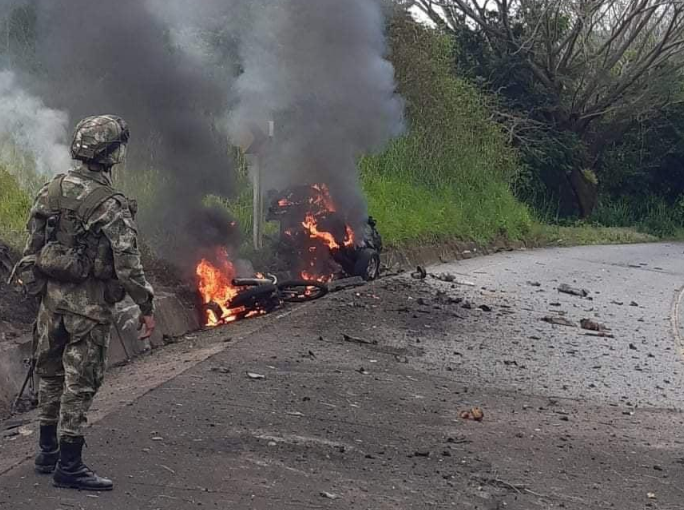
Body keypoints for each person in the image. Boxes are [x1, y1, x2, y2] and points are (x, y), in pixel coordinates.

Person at [17, 115, 156, 491]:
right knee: (81, 383)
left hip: (51, 305)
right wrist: (146, 306)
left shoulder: (53, 189)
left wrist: (40, 290)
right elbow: (128, 264)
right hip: (89, 309)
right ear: (111, 154)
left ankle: (46, 451)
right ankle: (70, 465)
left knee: (49, 374)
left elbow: (32, 246)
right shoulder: (109, 204)